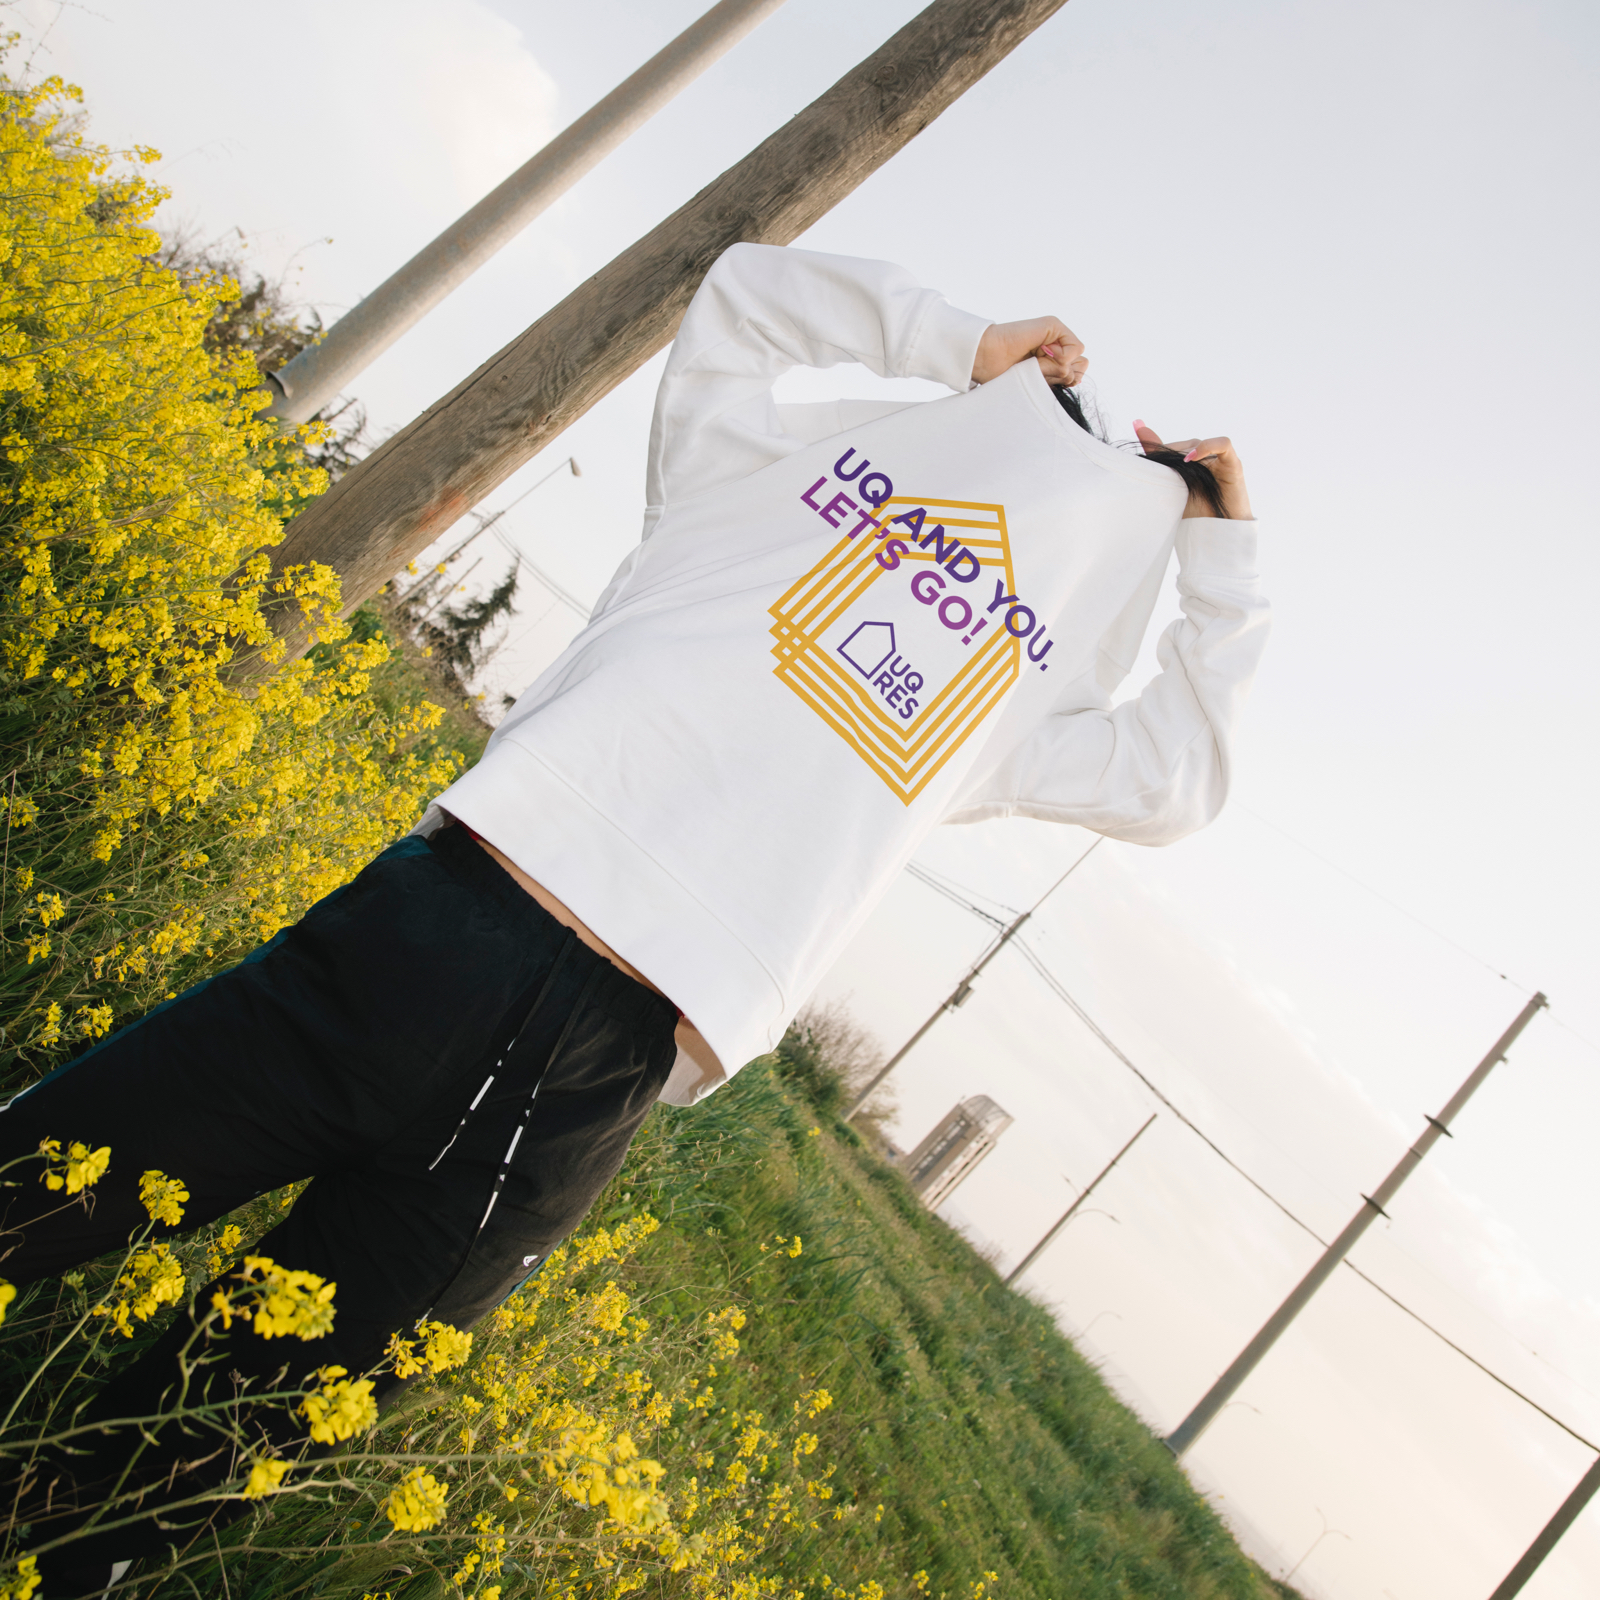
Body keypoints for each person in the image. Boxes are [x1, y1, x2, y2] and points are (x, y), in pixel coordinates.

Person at [0, 243, 1268, 1592]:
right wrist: (961, 342)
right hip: (433, 941)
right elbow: (746, 295)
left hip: (578, 1082)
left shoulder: (997, 714)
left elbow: (1175, 778)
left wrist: (1222, 551)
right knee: (24, 1198)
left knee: (157, 1481)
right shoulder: (756, 485)